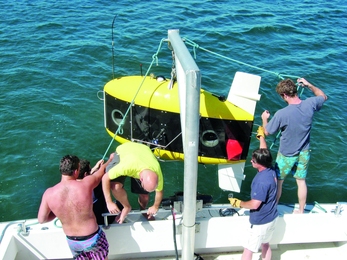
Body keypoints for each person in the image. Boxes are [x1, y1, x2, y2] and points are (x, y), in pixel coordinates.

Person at [261, 78, 327, 213]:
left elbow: (267, 132)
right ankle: (301, 211)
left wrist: (264, 119)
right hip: (304, 152)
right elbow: (323, 96)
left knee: (278, 182)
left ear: (284, 95)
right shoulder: (310, 104)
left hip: (286, 155)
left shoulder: (281, 114)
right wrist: (309, 85)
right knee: (301, 182)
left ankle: (273, 209)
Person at [38, 154, 114, 259]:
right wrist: (110, 159)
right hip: (92, 238)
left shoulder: (49, 193)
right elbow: (101, 172)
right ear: (75, 172)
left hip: (73, 242)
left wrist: (59, 212)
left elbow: (42, 219)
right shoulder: (85, 184)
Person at [228, 126, 278, 260]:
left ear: (260, 164)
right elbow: (265, 151)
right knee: (266, 244)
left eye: (253, 161)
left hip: (260, 222)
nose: (251, 161)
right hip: (272, 217)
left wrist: (239, 203)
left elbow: (255, 204)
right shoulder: (270, 169)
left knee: (248, 249)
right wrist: (261, 137)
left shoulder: (261, 181)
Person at [102, 142, 164, 224]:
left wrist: (155, 206)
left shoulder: (157, 171)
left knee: (144, 195)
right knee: (115, 186)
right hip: (124, 150)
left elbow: (159, 191)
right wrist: (109, 202)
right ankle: (126, 207)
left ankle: (143, 210)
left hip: (143, 150)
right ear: (140, 179)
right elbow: (105, 178)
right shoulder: (126, 167)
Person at [78, 159, 117, 225]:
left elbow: (88, 176)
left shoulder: (71, 187)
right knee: (119, 204)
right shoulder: (95, 184)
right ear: (85, 174)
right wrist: (110, 159)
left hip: (84, 223)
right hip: (101, 220)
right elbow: (103, 169)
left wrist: (95, 168)